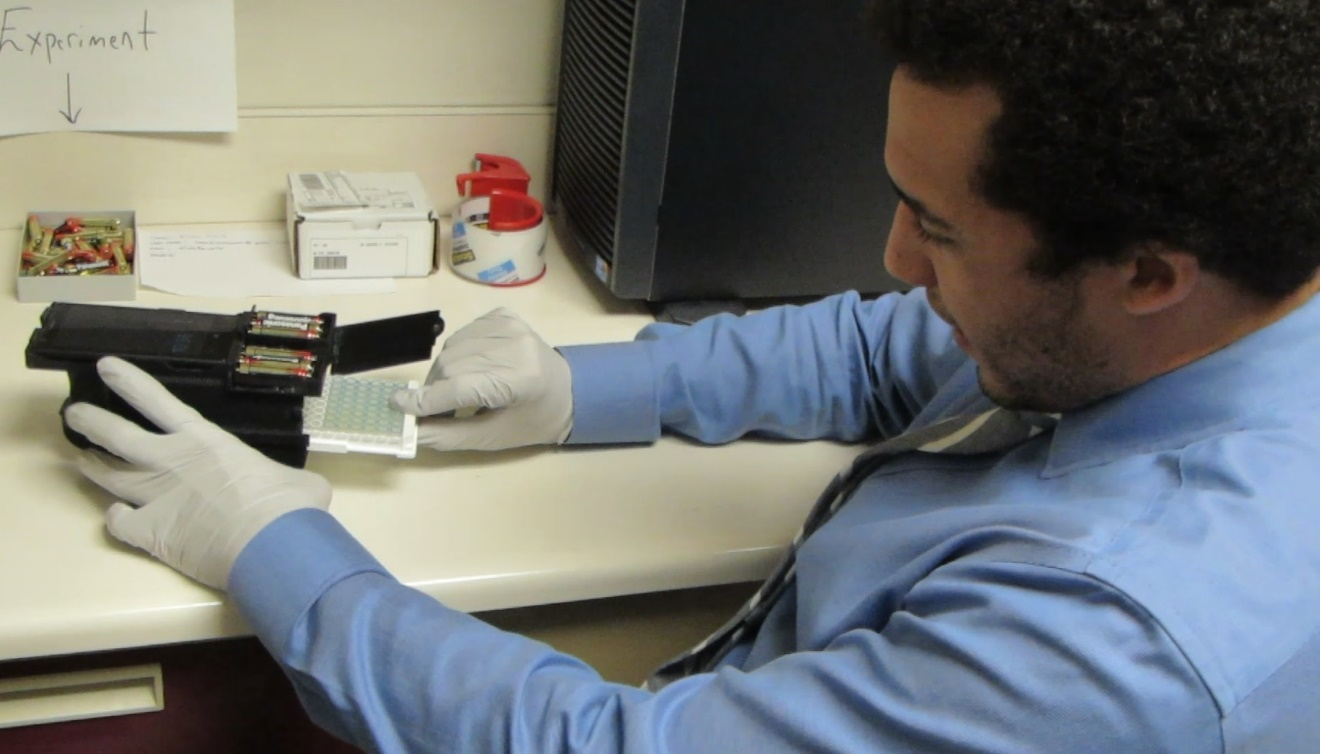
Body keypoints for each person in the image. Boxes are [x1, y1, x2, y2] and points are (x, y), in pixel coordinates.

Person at [61, 2, 1320, 752]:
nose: (892, 264)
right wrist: (578, 389)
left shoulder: (1111, 642)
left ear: (1147, 274)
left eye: (936, 230)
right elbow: (885, 348)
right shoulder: (1214, 302)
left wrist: (280, 549)